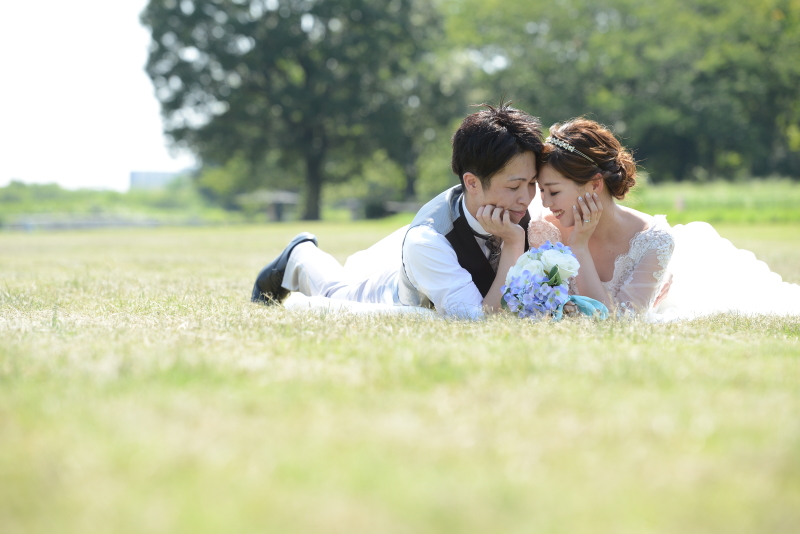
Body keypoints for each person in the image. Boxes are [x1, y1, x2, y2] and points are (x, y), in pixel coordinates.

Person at [251, 103, 544, 319]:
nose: (526, 198)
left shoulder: (529, 210)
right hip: (395, 296)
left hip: (419, 266)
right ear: (472, 182)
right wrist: (513, 244)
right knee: (335, 292)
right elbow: (479, 323)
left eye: (532, 183)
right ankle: (300, 254)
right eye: (514, 186)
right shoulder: (430, 240)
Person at [529, 117, 800, 320]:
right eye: (541, 190)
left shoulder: (654, 240)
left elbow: (616, 323)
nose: (545, 202)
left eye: (552, 191)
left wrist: (578, 247)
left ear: (594, 185)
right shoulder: (544, 230)